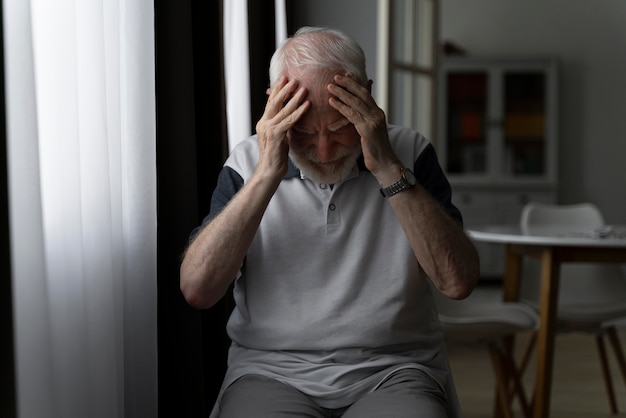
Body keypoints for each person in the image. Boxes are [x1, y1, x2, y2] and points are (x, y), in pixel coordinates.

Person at [180, 26, 480, 418]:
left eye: (340, 129)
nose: (323, 151)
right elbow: (198, 290)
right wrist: (266, 175)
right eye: (304, 133)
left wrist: (387, 168)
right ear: (275, 105)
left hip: (394, 369)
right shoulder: (246, 163)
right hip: (271, 370)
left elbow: (457, 282)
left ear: (366, 98)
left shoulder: (410, 151)